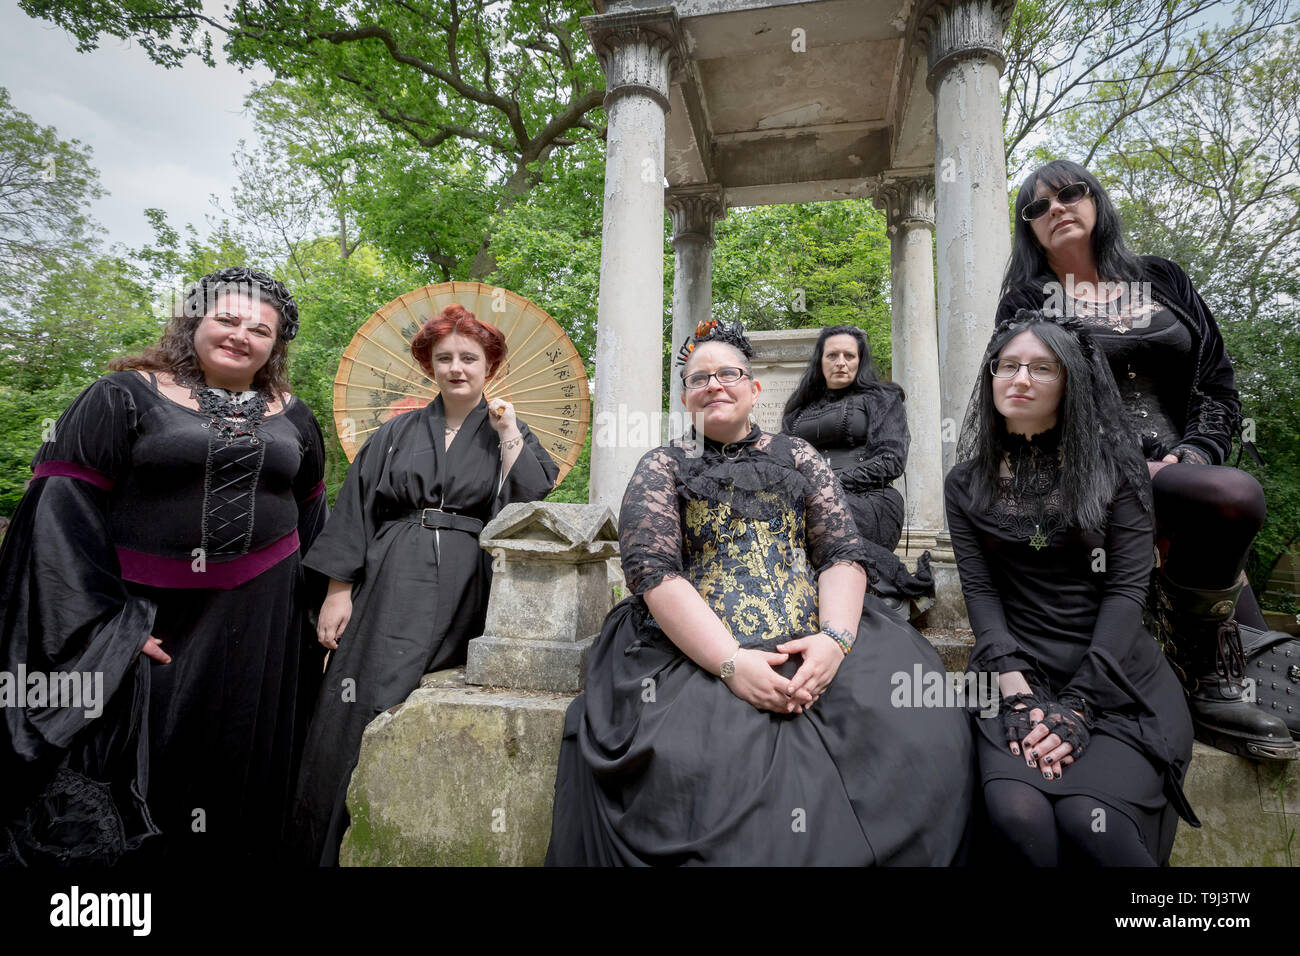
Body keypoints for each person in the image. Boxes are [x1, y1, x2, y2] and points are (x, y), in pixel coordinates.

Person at [545, 319, 973, 866]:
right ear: (684, 397)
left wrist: (835, 641)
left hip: (816, 629)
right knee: (706, 759)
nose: (716, 385)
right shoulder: (661, 466)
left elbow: (842, 552)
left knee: (915, 727)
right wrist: (732, 665)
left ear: (754, 388)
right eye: (700, 378)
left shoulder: (798, 455)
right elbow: (656, 575)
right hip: (697, 646)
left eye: (729, 374)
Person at [0, 267, 329, 865]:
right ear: (192, 321)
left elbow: (314, 520)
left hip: (264, 622)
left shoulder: (296, 416)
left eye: (260, 330)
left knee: (242, 757)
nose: (241, 336)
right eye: (226, 320)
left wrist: (327, 604)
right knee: (143, 764)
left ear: (275, 346)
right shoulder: (122, 395)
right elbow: (58, 516)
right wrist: (108, 626)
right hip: (149, 617)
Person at [996, 159, 1295, 759]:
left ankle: (1217, 670)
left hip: (1186, 467)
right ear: (1028, 230)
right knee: (1233, 495)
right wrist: (1134, 466)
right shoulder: (1028, 303)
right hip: (1084, 472)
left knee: (1226, 493)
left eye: (1070, 193)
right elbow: (1018, 401)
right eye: (1036, 207)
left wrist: (1192, 453)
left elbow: (1216, 387)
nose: (1055, 208)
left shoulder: (1164, 279)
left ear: (1096, 201)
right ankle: (1207, 677)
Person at [291, 304, 559, 866]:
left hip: (470, 576)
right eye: (444, 358)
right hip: (395, 571)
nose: (456, 368)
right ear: (428, 365)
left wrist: (508, 430)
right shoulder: (395, 432)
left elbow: (530, 502)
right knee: (366, 691)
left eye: (469, 358)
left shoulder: (508, 428)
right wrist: (338, 590)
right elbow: (355, 510)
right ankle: (324, 839)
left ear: (490, 366)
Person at [945, 309, 1199, 866]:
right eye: (1007, 365)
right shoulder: (965, 483)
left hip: (1115, 680)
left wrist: (1079, 707)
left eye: (1042, 368)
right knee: (1018, 815)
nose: (1020, 379)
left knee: (1093, 824)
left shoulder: (1116, 471)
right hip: (1015, 673)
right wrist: (1019, 696)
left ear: (1072, 384)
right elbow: (982, 596)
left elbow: (1127, 592)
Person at [781, 324, 934, 615]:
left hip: (870, 500)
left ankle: (884, 583)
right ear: (820, 361)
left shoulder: (882, 398)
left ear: (860, 361)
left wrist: (827, 485)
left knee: (811, 521)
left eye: (849, 356)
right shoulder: (798, 408)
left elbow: (891, 460)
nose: (841, 362)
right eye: (832, 355)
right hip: (807, 502)